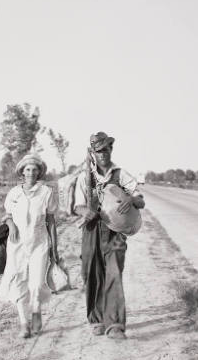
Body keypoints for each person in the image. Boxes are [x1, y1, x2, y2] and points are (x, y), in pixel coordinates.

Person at [74, 132, 145, 340]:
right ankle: (96, 319)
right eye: (98, 151)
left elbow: (141, 200)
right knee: (92, 274)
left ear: (111, 149)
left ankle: (114, 325)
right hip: (91, 231)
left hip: (115, 232)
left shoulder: (120, 174)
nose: (103, 154)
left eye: (106, 149)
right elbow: (77, 206)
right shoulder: (84, 177)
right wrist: (84, 211)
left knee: (114, 273)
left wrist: (131, 199)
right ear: (93, 154)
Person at [0, 153, 59, 338]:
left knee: (37, 283)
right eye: (27, 170)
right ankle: (24, 324)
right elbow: (7, 215)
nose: (31, 173)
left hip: (39, 243)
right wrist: (11, 225)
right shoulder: (14, 193)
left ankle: (36, 310)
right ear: (22, 173)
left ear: (39, 172)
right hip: (16, 245)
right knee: (18, 282)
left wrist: (54, 248)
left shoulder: (46, 193)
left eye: (34, 170)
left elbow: (51, 221)